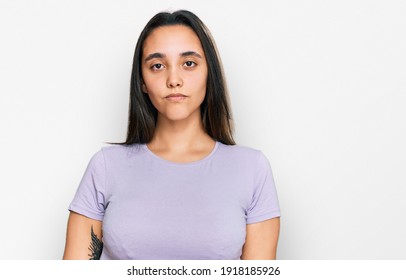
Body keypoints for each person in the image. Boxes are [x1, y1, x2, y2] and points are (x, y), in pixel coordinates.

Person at [63, 9, 280, 260]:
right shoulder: (105, 167)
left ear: (209, 74)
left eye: (189, 63)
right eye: (157, 66)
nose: (173, 79)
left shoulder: (252, 169)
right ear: (142, 81)